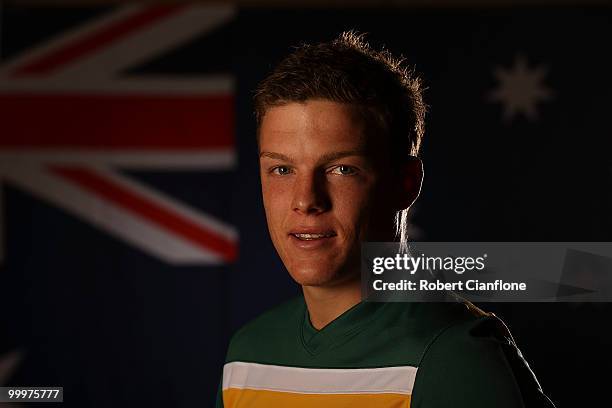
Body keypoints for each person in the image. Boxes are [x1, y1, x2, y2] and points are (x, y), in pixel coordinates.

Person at [216, 31, 555, 407]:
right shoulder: (247, 354)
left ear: (405, 183)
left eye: (341, 169)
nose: (305, 200)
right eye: (282, 169)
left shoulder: (454, 356)